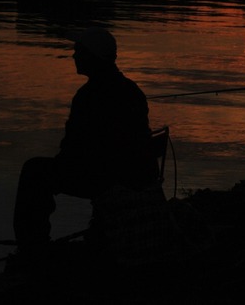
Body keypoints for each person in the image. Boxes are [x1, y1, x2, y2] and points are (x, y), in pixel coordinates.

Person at [12, 27, 158, 260]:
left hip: (106, 177)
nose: (74, 56)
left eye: (79, 51)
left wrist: (62, 165)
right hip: (128, 173)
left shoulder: (88, 96)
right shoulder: (132, 89)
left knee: (34, 171)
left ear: (93, 57)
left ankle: (32, 247)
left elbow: (73, 150)